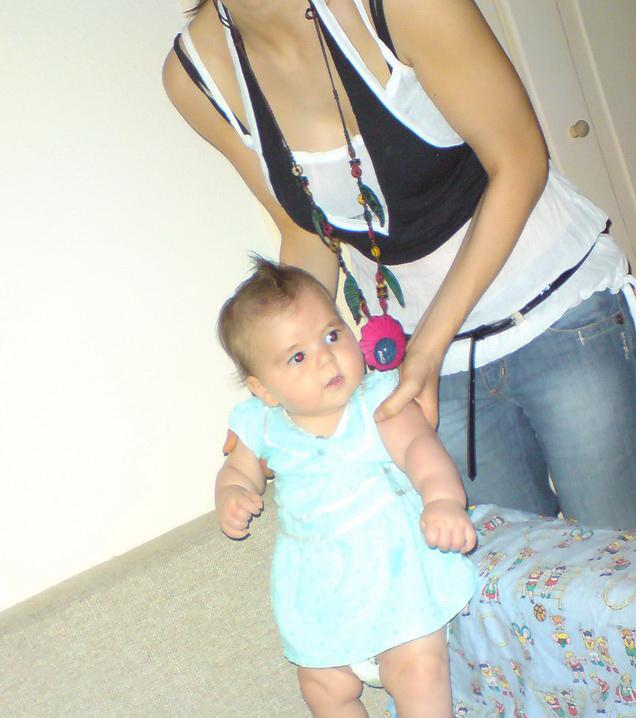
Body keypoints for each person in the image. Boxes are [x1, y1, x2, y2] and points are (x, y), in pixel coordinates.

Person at [164, 0, 635, 528]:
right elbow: (306, 233)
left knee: (619, 554)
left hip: (555, 312)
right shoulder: (197, 76)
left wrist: (428, 345)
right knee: (505, 565)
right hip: (423, 370)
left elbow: (520, 160)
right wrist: (280, 386)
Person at [215, 258, 477, 718]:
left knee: (420, 674)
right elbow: (237, 470)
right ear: (263, 389)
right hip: (322, 598)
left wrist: (442, 499)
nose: (325, 357)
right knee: (321, 688)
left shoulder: (377, 402)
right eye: (297, 356)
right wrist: (233, 493)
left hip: (397, 584)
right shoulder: (261, 426)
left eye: (331, 335)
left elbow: (420, 449)